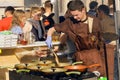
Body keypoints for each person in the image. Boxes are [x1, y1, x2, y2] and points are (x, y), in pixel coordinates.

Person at [46, 0, 105, 76]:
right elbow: (52, 29)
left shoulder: (95, 21)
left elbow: (102, 42)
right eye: (73, 15)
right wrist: (49, 37)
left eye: (77, 15)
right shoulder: (70, 22)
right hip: (79, 59)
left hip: (95, 59)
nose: (75, 17)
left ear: (83, 10)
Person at [97, 4, 116, 80]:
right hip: (113, 48)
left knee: (108, 72)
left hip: (109, 50)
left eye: (98, 13)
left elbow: (108, 37)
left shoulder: (103, 23)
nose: (97, 15)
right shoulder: (111, 20)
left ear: (101, 12)